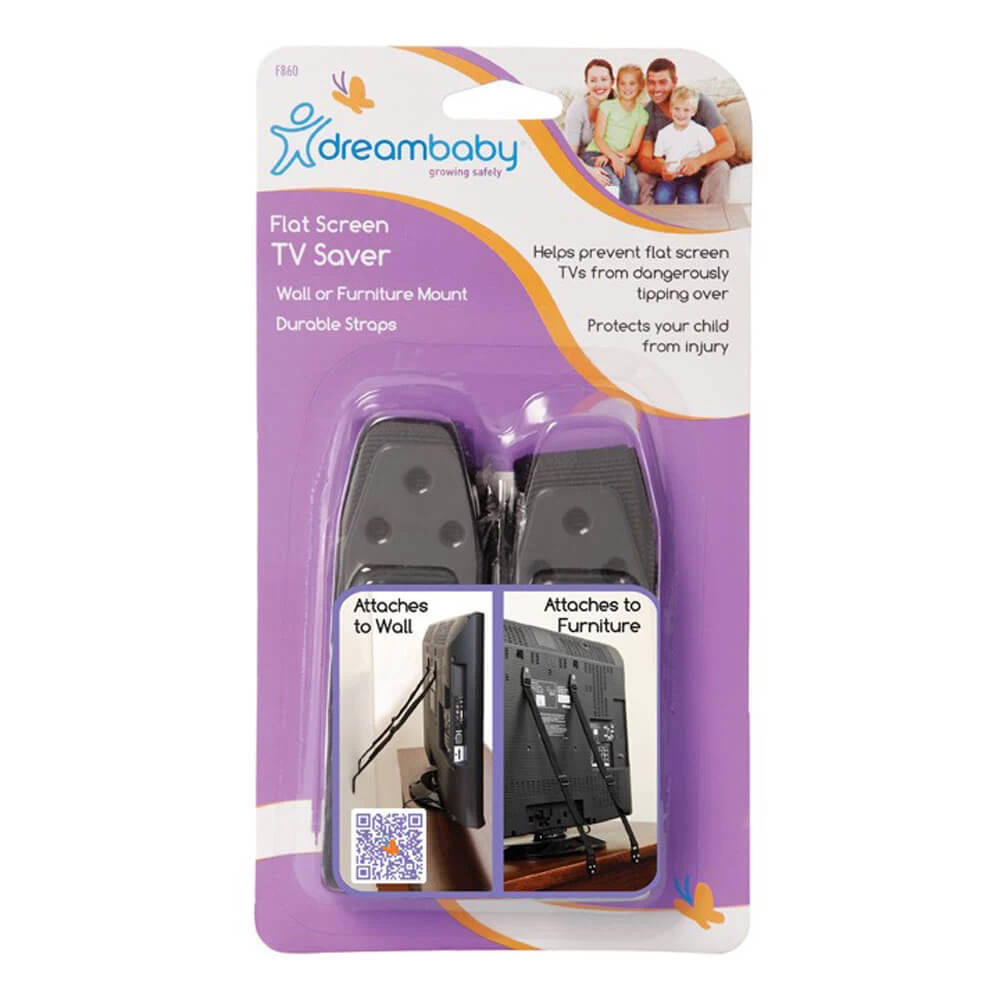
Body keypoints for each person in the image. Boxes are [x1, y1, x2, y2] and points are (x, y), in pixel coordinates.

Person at [636, 57, 735, 205]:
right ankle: (650, 218)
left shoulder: (698, 102)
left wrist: (698, 162)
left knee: (721, 167)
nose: (656, 89)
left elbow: (728, 146)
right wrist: (662, 168)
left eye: (662, 82)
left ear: (674, 81)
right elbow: (644, 159)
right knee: (641, 179)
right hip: (669, 171)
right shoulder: (648, 113)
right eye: (651, 83)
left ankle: (714, 216)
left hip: (701, 166)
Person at [581, 64, 648, 205]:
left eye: (632, 83)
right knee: (611, 183)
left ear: (641, 86)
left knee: (631, 186)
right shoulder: (607, 106)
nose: (627, 87)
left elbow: (633, 148)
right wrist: (611, 157)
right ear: (617, 84)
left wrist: (613, 158)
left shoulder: (642, 114)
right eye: (623, 83)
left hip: (619, 158)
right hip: (596, 154)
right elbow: (598, 138)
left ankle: (629, 217)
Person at [652, 86, 716, 204]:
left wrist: (697, 163)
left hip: (691, 177)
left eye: (686, 110)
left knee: (690, 199)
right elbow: (658, 156)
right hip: (669, 177)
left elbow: (710, 153)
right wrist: (663, 168)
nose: (681, 114)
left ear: (693, 112)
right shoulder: (664, 133)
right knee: (661, 198)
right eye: (677, 109)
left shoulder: (700, 131)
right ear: (670, 109)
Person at [563, 58, 616, 189]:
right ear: (586, 83)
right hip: (582, 161)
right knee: (610, 182)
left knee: (631, 186)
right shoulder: (577, 109)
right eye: (593, 80)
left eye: (604, 79)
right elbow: (570, 154)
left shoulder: (618, 105)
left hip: (608, 157)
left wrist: (611, 156)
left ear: (612, 82)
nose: (599, 85)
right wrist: (590, 171)